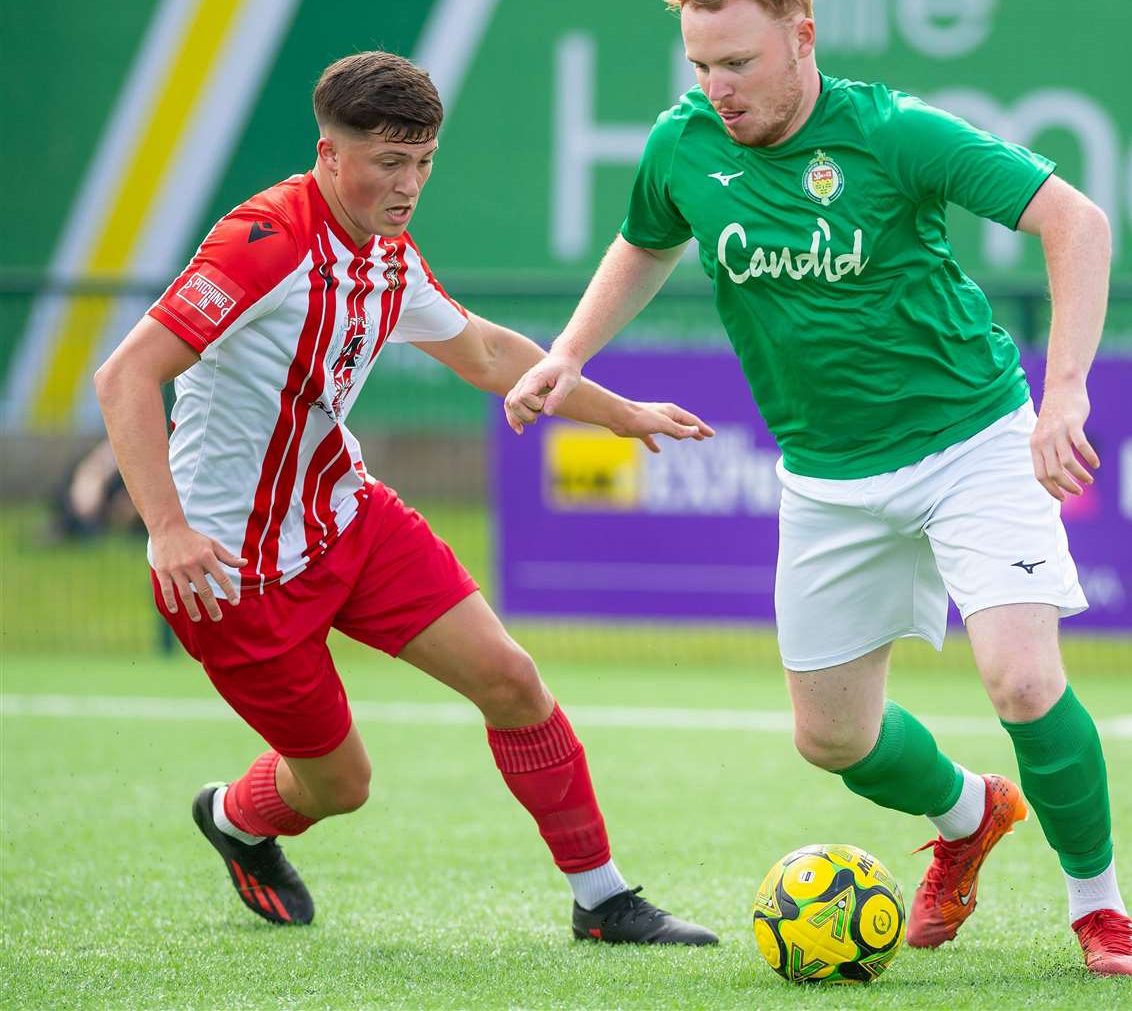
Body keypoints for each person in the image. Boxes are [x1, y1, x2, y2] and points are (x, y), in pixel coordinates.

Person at [506, 0, 1132, 976]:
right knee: (831, 741)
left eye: (738, 63)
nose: (717, 87)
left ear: (801, 37)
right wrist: (569, 353)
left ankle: (1097, 908)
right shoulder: (681, 145)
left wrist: (1064, 393)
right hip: (825, 476)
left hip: (970, 441)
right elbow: (644, 239)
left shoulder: (890, 130)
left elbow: (1073, 221)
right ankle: (966, 816)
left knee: (1023, 682)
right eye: (700, 66)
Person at [93, 51, 718, 946]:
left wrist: (616, 412)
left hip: (348, 516)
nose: (410, 182)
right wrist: (166, 530)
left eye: (423, 160)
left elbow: (485, 354)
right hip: (233, 573)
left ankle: (604, 900)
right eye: (389, 162)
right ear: (328, 153)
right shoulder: (262, 241)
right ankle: (236, 818)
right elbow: (127, 374)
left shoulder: (385, 252)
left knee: (511, 680)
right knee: (340, 787)